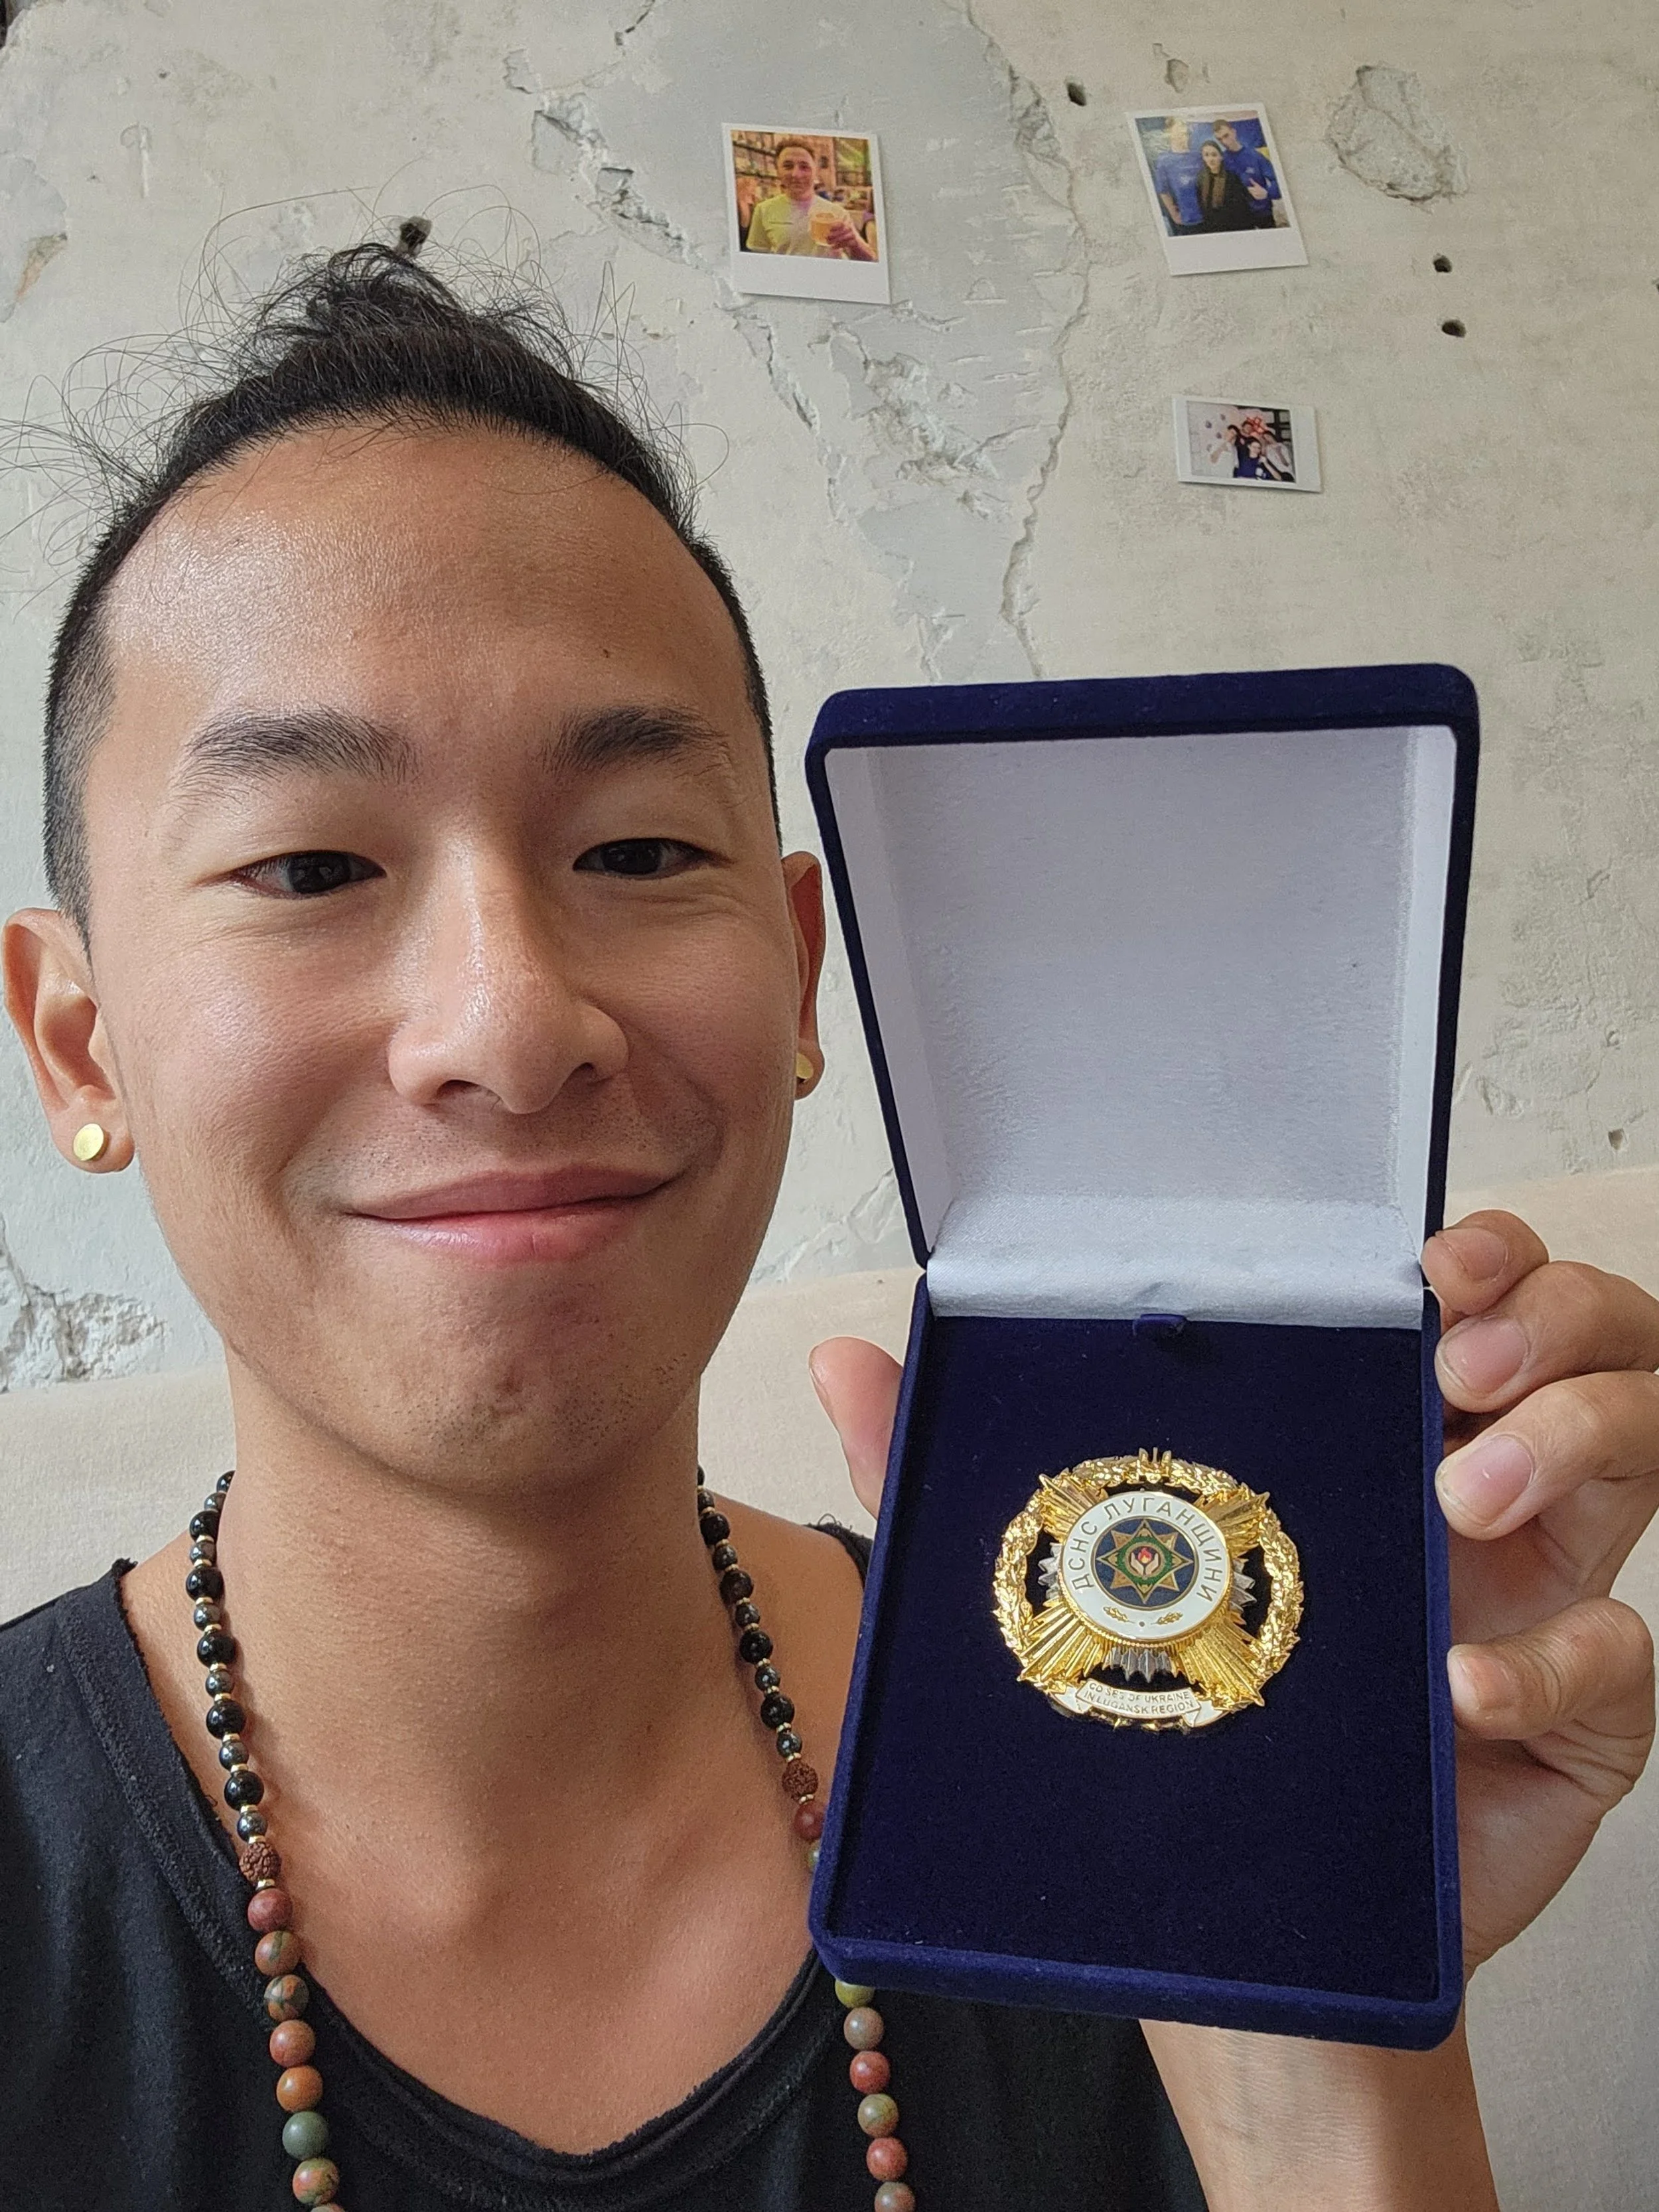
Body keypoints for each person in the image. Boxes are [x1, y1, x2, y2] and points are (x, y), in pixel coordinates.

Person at [2, 236, 1656, 2212]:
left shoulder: (1115, 1721)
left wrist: (1318, 1980)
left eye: (637, 848)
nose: (511, 1025)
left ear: (799, 974)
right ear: (78, 1040)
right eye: (308, 868)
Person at [743, 139, 875, 260]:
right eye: (788, 166)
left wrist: (854, 244)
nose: (796, 174)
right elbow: (758, 258)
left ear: (816, 171)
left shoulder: (837, 213)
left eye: (804, 167)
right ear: (778, 171)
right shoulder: (763, 210)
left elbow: (871, 259)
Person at [1212, 119, 1282, 228]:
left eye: (1226, 136)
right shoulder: (1222, 161)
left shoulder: (1255, 157)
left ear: (1234, 132)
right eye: (1219, 139)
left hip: (1263, 213)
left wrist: (1267, 193)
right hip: (1239, 217)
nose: (1224, 142)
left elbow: (1280, 182)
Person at [1192, 138, 1257, 232]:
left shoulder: (1232, 178)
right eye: (1206, 155)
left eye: (1214, 155)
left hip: (1234, 228)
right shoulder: (1201, 179)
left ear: (1221, 157)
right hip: (1212, 230)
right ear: (1203, 158)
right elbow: (1203, 208)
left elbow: (1242, 209)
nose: (1211, 159)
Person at [1151, 115, 1202, 233]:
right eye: (1180, 126)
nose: (1183, 130)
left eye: (1185, 127)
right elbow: (1163, 190)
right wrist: (1174, 214)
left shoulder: (1199, 156)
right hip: (1185, 220)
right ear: (1169, 132)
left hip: (1207, 216)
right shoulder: (1164, 160)